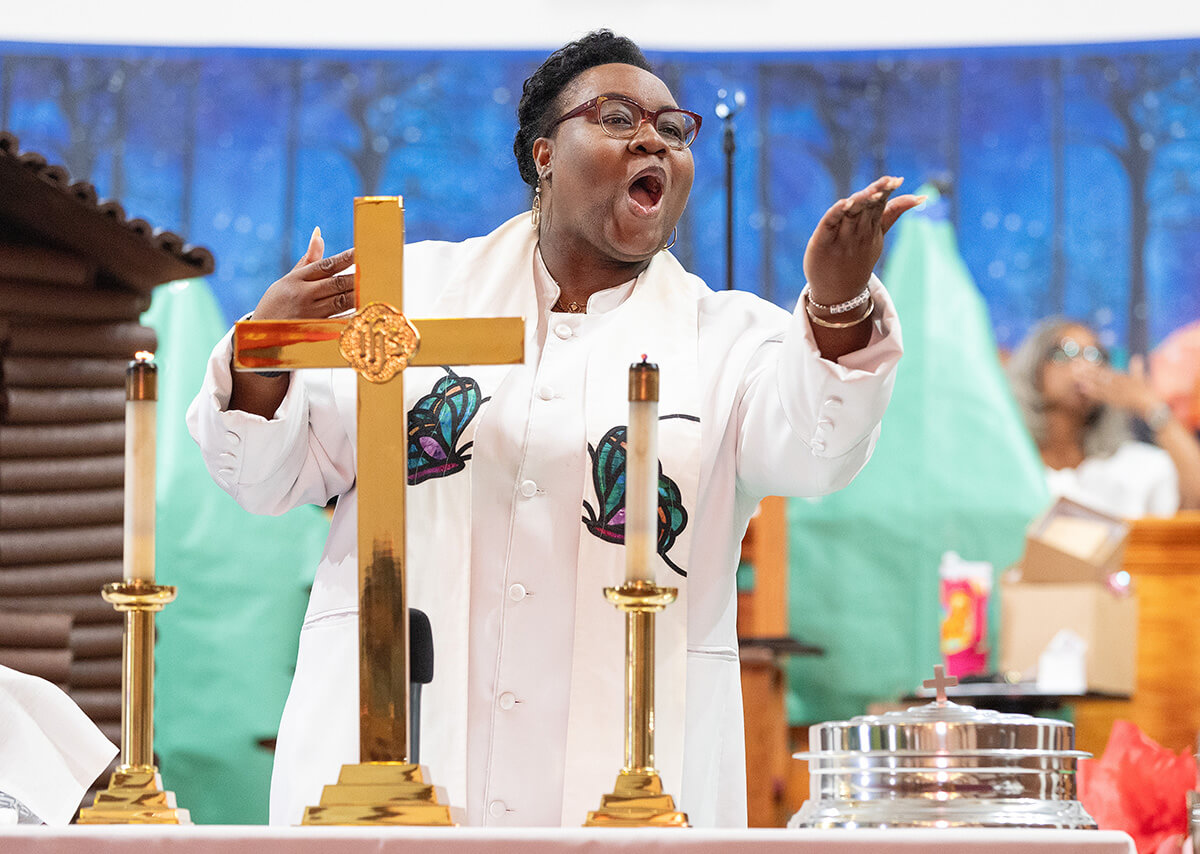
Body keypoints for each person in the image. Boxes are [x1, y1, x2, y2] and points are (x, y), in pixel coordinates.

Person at [188, 30, 919, 827]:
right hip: (399, 770)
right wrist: (266, 350)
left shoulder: (729, 341)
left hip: (629, 785)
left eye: (673, 129)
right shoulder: (409, 299)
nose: (653, 138)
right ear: (542, 153)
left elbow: (818, 450)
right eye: (616, 116)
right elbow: (263, 474)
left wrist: (839, 305)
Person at [1007, 318, 1200, 518]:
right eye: (1066, 352)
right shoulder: (1008, 463)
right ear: (1033, 368)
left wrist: (1151, 406)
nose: (1082, 365)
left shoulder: (1130, 465)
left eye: (1094, 355)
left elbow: (1195, 499)